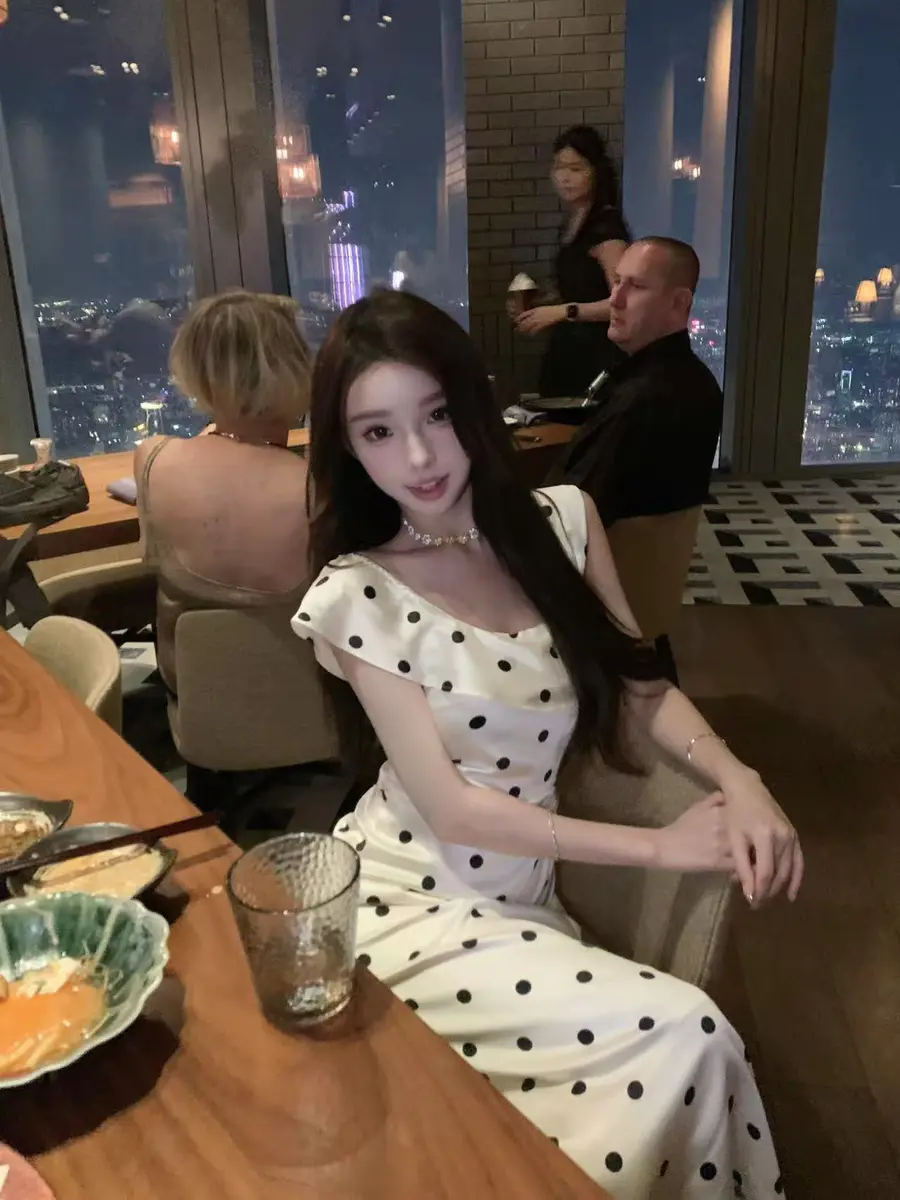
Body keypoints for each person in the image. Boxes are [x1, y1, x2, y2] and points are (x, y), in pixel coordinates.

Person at [291, 289, 800, 1198]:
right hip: (407, 902)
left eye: (436, 415)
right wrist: (662, 847)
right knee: (687, 1039)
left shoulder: (561, 521)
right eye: (378, 432)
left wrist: (741, 775)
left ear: (472, 402)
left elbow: (640, 684)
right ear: (348, 447)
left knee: (668, 1062)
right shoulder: (358, 593)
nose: (419, 457)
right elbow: (454, 811)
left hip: (517, 900)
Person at [550, 237, 724, 682]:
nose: (616, 299)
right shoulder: (694, 381)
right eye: (617, 283)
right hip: (644, 595)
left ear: (678, 303)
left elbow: (570, 518)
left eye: (636, 287)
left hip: (597, 596)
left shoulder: (646, 399)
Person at [135, 290, 312, 696]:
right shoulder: (319, 487)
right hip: (311, 702)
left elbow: (150, 556)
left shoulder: (152, 459)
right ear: (297, 369)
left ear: (195, 370)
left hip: (194, 699)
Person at [513, 125, 629, 399]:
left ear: (596, 172)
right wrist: (539, 306)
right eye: (559, 167)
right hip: (568, 351)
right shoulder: (572, 221)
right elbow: (581, 289)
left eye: (576, 169)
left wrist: (563, 312)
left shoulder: (605, 227)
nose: (564, 177)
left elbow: (623, 303)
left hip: (597, 356)